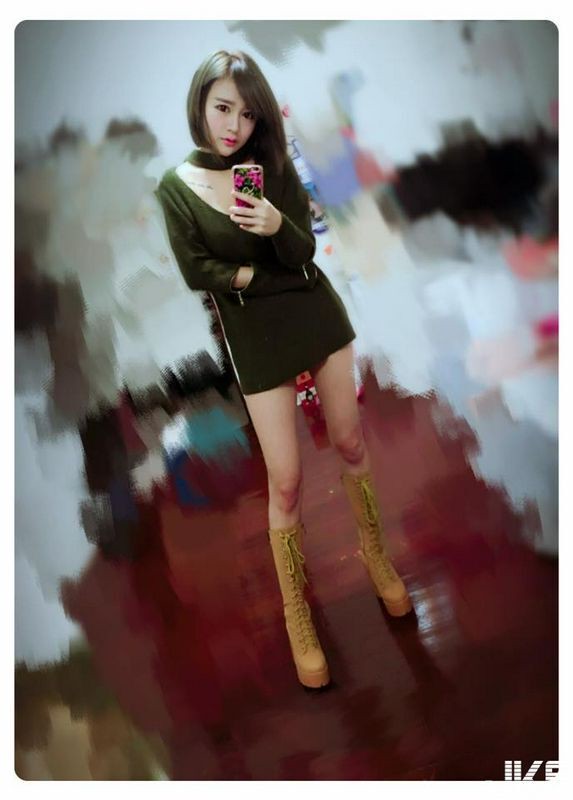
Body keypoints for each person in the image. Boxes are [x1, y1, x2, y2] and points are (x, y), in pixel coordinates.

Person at [155, 49, 412, 691]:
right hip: (256, 340)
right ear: (200, 105)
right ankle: (299, 611)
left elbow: (303, 252)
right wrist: (256, 275)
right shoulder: (177, 187)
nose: (234, 125)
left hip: (315, 315)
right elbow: (198, 271)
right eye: (223, 108)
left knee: (350, 442)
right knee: (288, 482)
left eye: (247, 114)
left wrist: (273, 223)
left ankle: (376, 555)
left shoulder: (268, 165)